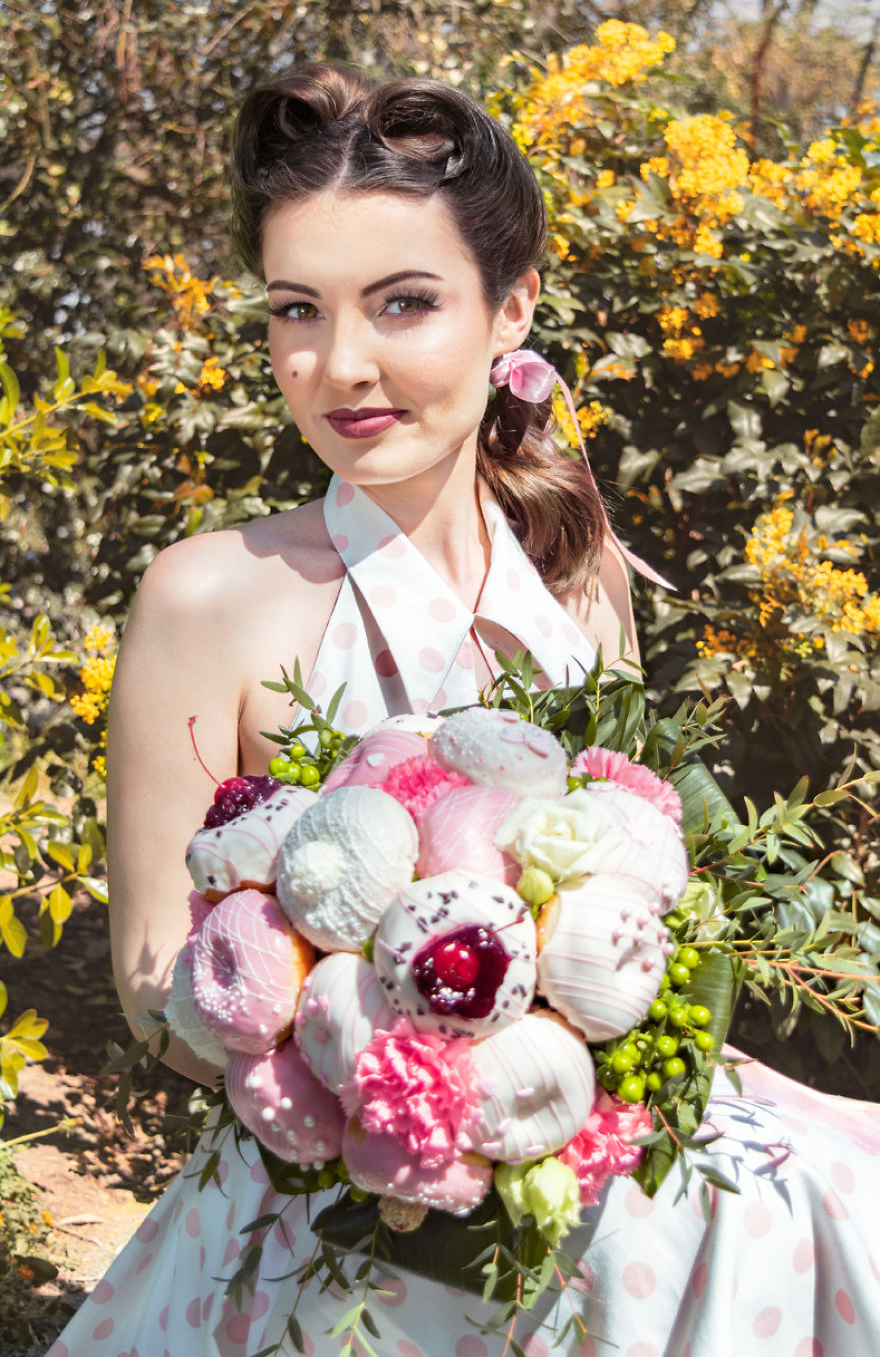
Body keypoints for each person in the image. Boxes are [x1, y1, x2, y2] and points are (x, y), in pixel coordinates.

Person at [47, 66, 880, 1357]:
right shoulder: (209, 595)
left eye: (404, 304)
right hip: (339, 1209)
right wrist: (355, 1062)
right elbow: (155, 976)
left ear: (513, 308)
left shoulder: (583, 576)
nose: (340, 365)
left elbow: (646, 881)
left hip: (597, 1163)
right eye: (296, 312)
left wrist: (589, 1061)